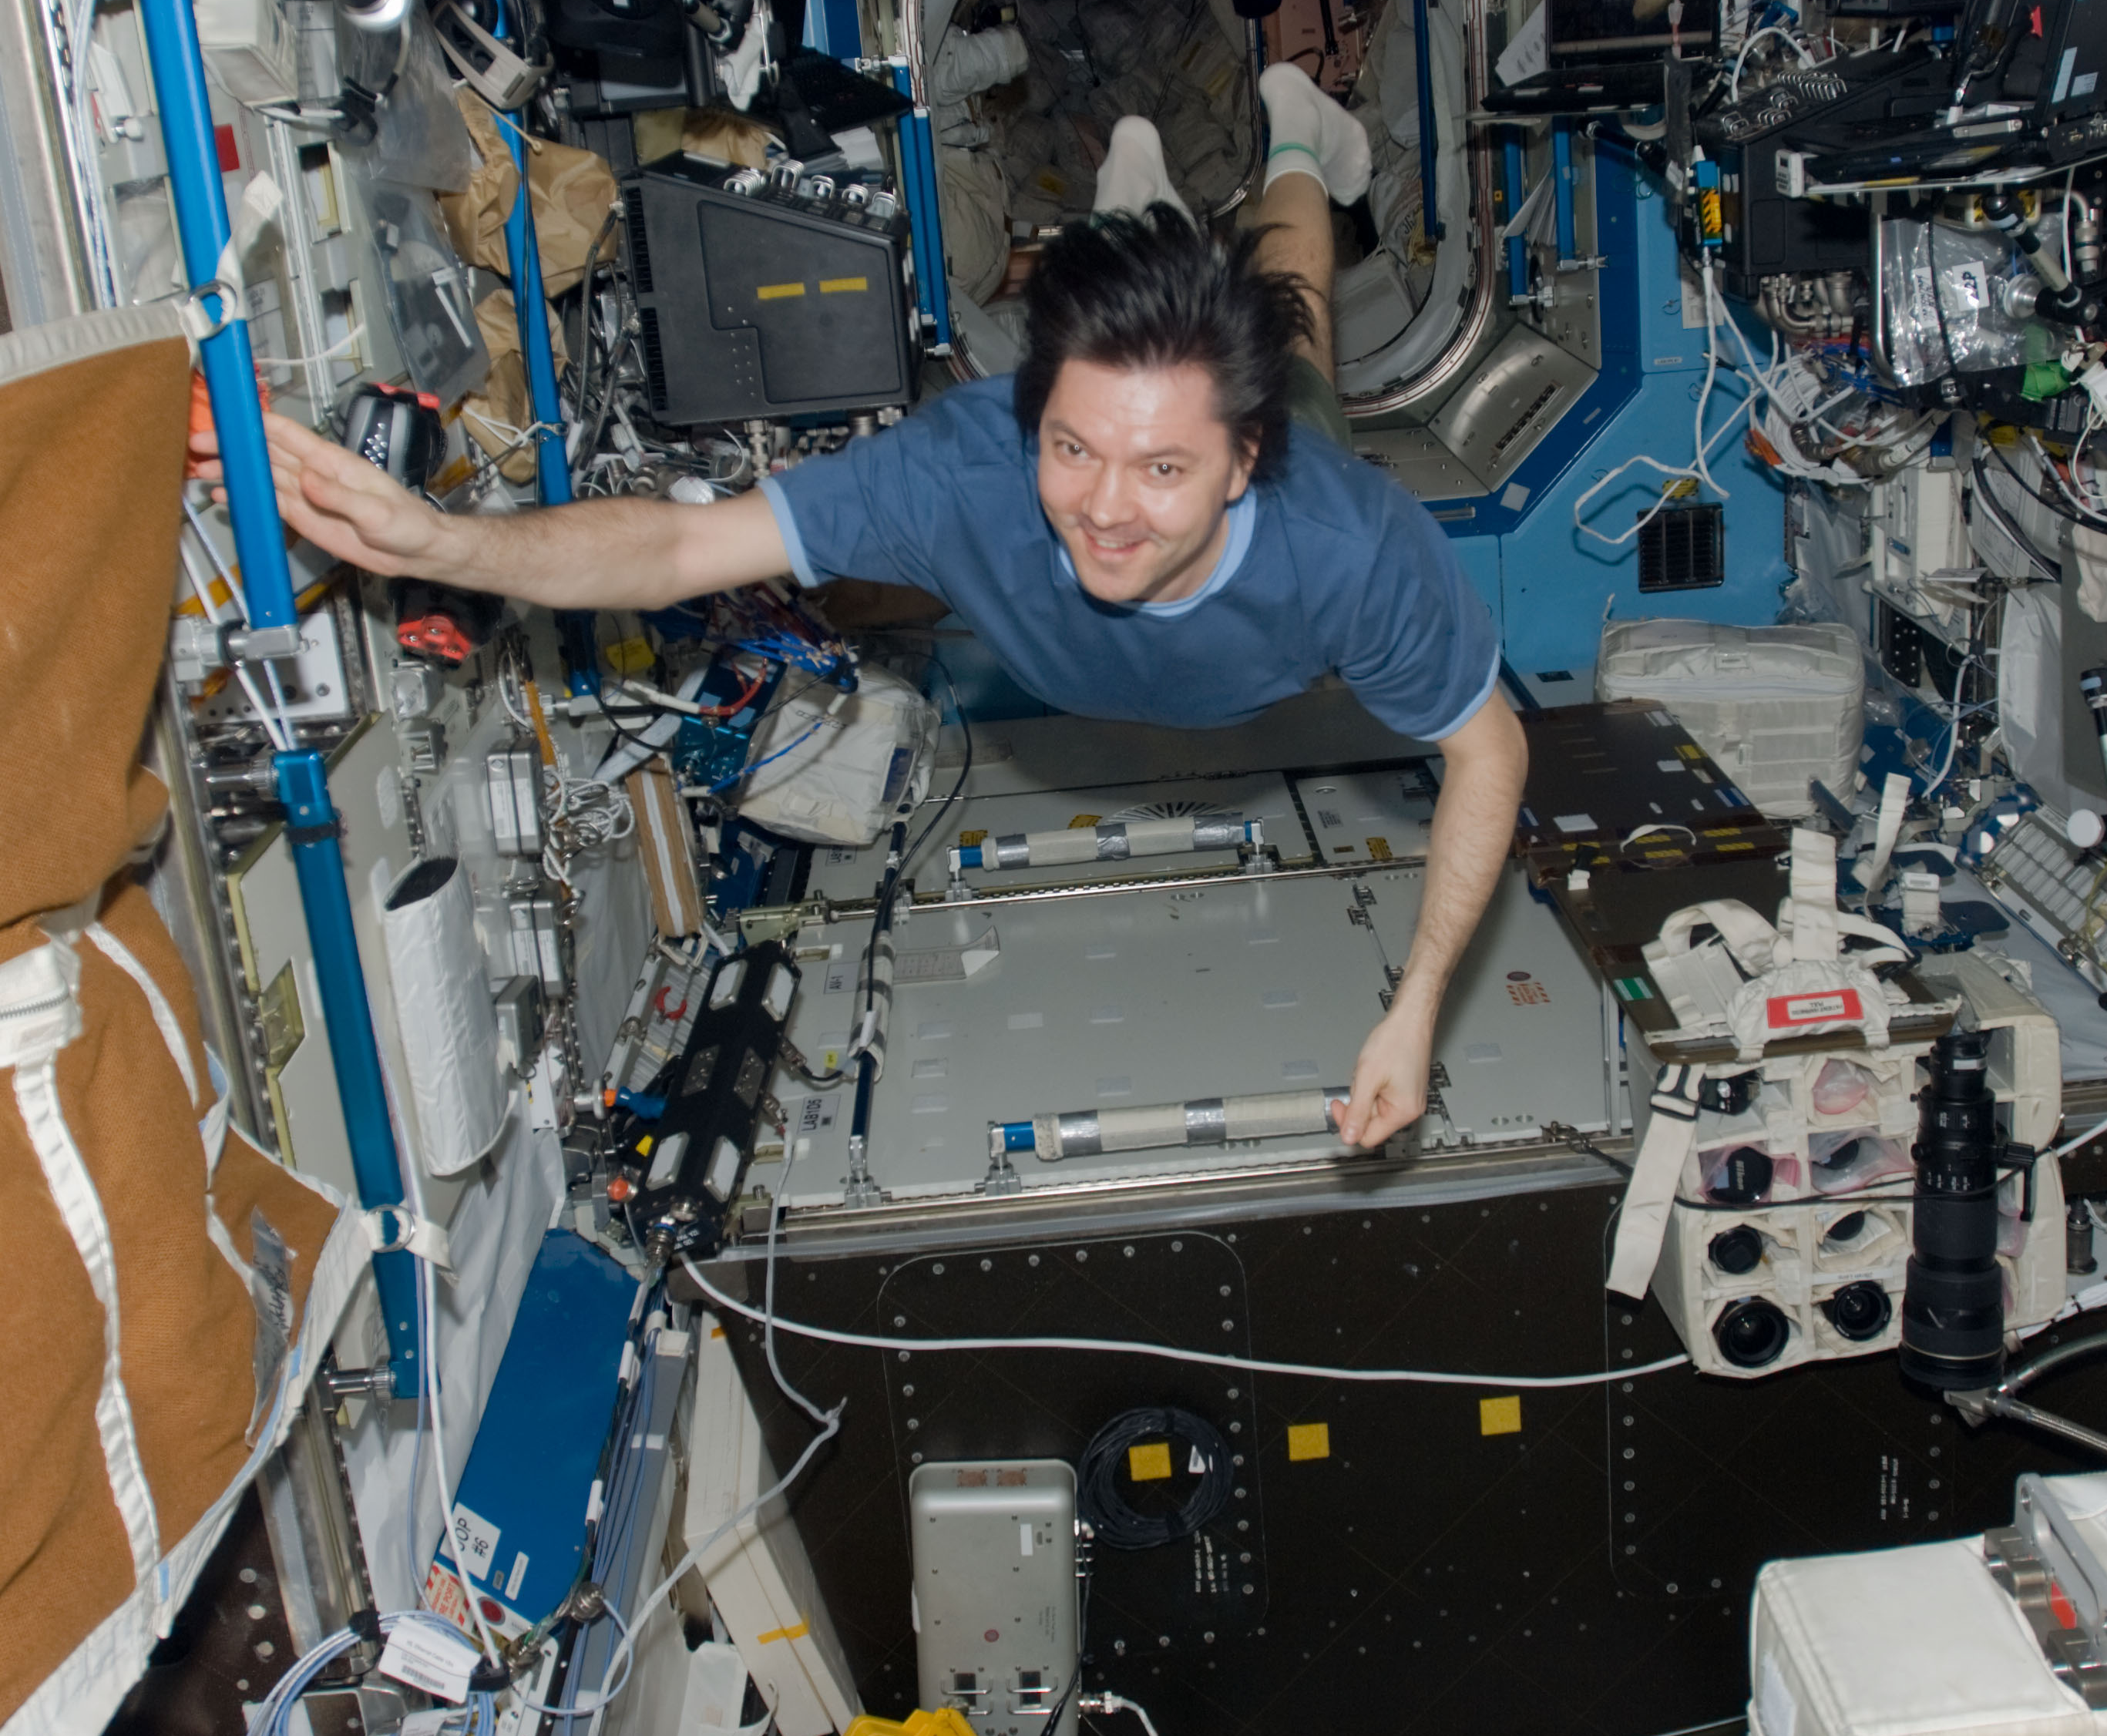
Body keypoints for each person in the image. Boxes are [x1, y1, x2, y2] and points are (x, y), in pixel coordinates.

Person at [216, 62, 1528, 1150]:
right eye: (1072, 448)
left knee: (1295, 342)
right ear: (1028, 418)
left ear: (1238, 464)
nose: (1107, 509)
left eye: (1166, 470)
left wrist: (1417, 1005)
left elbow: (1488, 748)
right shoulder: (963, 467)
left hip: (1290, 492)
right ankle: (1133, 201)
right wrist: (446, 541)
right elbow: (682, 548)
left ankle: (1294, 124)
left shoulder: (1347, 549)